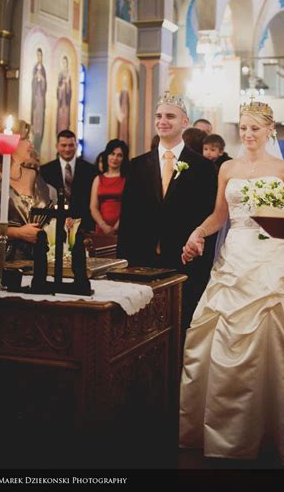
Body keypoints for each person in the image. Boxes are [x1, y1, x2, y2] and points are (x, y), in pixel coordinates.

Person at [179, 100, 284, 467]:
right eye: (243, 128)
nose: (247, 134)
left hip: (276, 257)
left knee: (276, 336)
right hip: (236, 256)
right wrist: (198, 233)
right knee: (217, 333)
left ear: (270, 130)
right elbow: (218, 215)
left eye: (254, 128)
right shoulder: (227, 168)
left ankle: (276, 425)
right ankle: (225, 430)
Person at [118, 92, 217, 330]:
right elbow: (128, 218)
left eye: (170, 116)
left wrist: (201, 259)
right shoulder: (137, 165)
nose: (162, 121)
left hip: (185, 261)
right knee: (143, 326)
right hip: (143, 259)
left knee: (181, 326)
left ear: (184, 122)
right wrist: (123, 262)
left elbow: (209, 216)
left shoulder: (203, 167)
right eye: (159, 116)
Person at [0, 118, 54, 261]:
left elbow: (48, 212)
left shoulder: (33, 175)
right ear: (10, 141)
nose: (31, 145)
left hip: (38, 256)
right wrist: (18, 233)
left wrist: (59, 221)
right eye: (26, 139)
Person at [41, 130, 96, 232]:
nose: (67, 149)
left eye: (71, 145)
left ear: (76, 145)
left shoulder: (90, 170)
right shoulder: (45, 171)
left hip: (83, 225)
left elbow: (91, 200)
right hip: (53, 224)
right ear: (57, 146)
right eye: (64, 145)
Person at [90, 139, 128, 235]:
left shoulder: (127, 179)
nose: (115, 158)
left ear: (124, 158)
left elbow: (130, 206)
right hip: (101, 227)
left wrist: (116, 227)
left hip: (123, 226)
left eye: (119, 155)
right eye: (112, 154)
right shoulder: (98, 179)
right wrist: (103, 225)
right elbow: (93, 207)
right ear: (107, 155)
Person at [30, 47, 47, 151]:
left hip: (41, 98)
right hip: (35, 99)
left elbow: (45, 86)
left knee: (40, 122)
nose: (39, 57)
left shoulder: (43, 69)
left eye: (40, 55)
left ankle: (38, 142)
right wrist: (36, 78)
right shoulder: (35, 68)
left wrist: (42, 79)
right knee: (35, 119)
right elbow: (33, 84)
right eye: (37, 55)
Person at [56, 55, 72, 134]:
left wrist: (67, 84)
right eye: (63, 62)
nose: (64, 64)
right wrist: (62, 86)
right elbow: (58, 88)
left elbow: (69, 91)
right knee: (60, 119)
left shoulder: (69, 75)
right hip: (61, 102)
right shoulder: (60, 74)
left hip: (66, 103)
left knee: (65, 120)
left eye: (65, 62)